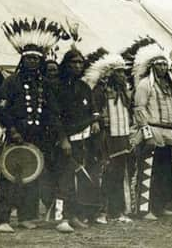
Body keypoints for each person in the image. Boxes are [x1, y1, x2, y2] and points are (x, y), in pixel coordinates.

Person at [0, 18, 65, 233]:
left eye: (36, 59)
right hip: (17, 135)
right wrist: (12, 130)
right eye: (29, 59)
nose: (33, 62)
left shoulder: (44, 84)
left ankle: (26, 216)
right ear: (22, 61)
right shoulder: (11, 82)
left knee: (33, 177)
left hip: (38, 137)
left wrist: (56, 134)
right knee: (10, 176)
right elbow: (3, 109)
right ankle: (2, 219)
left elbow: (52, 112)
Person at [84, 52, 133, 224]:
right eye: (118, 72)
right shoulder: (100, 90)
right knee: (105, 173)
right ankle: (100, 212)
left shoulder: (124, 91)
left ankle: (116, 211)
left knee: (118, 175)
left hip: (122, 136)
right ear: (110, 73)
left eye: (123, 72)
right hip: (106, 137)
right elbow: (94, 111)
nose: (122, 75)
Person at [57, 48, 102, 232]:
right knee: (64, 179)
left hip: (84, 141)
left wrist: (96, 121)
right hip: (65, 141)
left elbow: (93, 110)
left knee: (78, 180)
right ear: (66, 65)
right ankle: (60, 219)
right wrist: (63, 140)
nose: (77, 66)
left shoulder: (84, 87)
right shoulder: (57, 87)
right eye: (73, 62)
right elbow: (55, 117)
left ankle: (74, 215)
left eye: (80, 62)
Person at [132, 43, 172, 219]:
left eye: (165, 64)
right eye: (159, 64)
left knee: (164, 172)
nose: (162, 67)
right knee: (149, 170)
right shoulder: (145, 84)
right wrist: (146, 131)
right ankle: (145, 209)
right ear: (152, 66)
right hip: (152, 130)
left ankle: (160, 206)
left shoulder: (168, 86)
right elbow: (139, 108)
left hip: (167, 132)